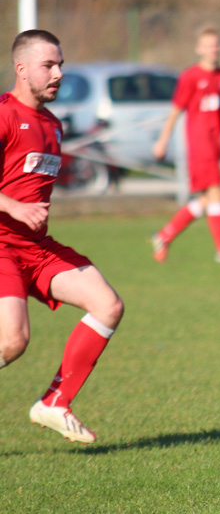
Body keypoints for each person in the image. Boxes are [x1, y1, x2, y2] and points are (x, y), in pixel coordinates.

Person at [0, 30, 125, 444]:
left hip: (35, 248)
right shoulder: (2, 115)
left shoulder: (52, 124)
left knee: (107, 305)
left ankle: (55, 402)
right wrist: (15, 207)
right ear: (21, 69)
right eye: (48, 65)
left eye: (61, 65)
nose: (58, 73)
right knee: (13, 342)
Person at [151, 25, 220, 263]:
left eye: (217, 45)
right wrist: (162, 141)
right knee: (216, 192)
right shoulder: (190, 77)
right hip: (200, 146)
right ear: (199, 49)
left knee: (207, 199)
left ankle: (164, 235)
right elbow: (175, 111)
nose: (214, 49)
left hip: (215, 144)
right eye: (209, 45)